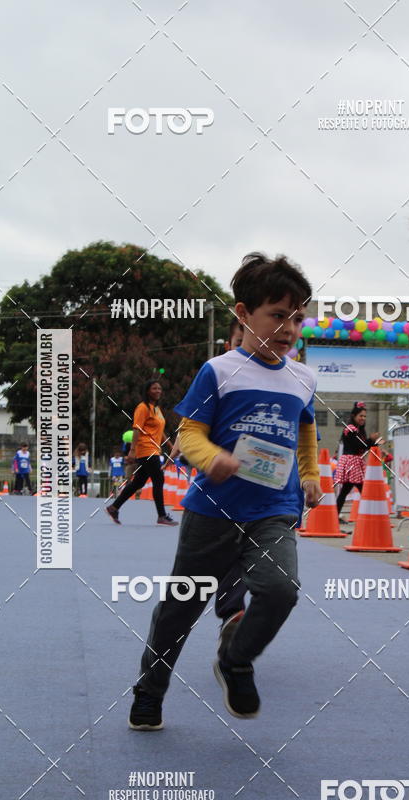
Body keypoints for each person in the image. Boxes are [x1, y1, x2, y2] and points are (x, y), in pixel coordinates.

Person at [128, 252, 321, 729]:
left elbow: (306, 432)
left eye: (297, 317)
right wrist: (211, 458)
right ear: (243, 313)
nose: (289, 328)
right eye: (278, 315)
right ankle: (149, 692)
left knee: (280, 590)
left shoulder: (303, 378)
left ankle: (235, 659)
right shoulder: (219, 370)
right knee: (179, 610)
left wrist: (311, 474)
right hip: (212, 511)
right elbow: (188, 433)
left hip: (274, 509)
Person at [106, 381, 176, 526]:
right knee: (159, 479)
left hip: (154, 449)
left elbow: (160, 431)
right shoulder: (142, 407)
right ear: (147, 391)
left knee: (139, 481)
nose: (158, 390)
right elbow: (137, 429)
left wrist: (170, 445)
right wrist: (132, 451)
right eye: (154, 388)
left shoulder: (156, 409)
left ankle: (114, 507)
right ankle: (161, 516)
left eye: (159, 388)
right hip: (146, 448)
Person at [334, 402, 380, 522]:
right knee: (362, 490)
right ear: (354, 416)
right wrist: (371, 440)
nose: (363, 418)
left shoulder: (357, 430)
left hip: (354, 461)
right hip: (352, 461)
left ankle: (334, 516)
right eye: (361, 416)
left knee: (347, 491)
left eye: (365, 416)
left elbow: (363, 446)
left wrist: (374, 442)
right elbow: (360, 445)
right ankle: (372, 515)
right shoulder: (351, 429)